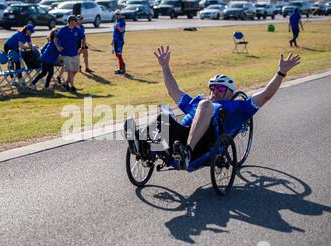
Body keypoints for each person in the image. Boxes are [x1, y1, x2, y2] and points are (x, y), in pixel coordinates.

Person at [143, 46, 301, 169]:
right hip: (180, 140)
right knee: (162, 117)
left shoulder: (238, 107)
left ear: (231, 93)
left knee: (205, 105)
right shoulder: (197, 101)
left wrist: (281, 72)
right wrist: (165, 66)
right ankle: (142, 147)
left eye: (221, 89)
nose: (215, 92)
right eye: (212, 89)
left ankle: (187, 152)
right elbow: (173, 91)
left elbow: (266, 94)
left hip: (205, 143)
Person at [54, 15, 85, 92]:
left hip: (75, 53)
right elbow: (55, 39)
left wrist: (82, 47)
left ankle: (65, 83)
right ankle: (72, 86)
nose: (77, 22)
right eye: (75, 21)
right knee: (70, 70)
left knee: (75, 70)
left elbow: (83, 38)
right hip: (66, 54)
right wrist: (58, 46)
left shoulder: (77, 30)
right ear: (71, 22)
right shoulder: (63, 30)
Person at [112, 9, 126, 75]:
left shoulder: (122, 21)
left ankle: (122, 69)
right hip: (115, 40)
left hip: (120, 40)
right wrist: (112, 40)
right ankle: (122, 66)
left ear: (120, 15)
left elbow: (122, 31)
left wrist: (119, 28)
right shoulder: (115, 21)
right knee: (117, 54)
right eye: (116, 14)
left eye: (118, 14)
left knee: (119, 54)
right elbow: (114, 31)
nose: (117, 15)